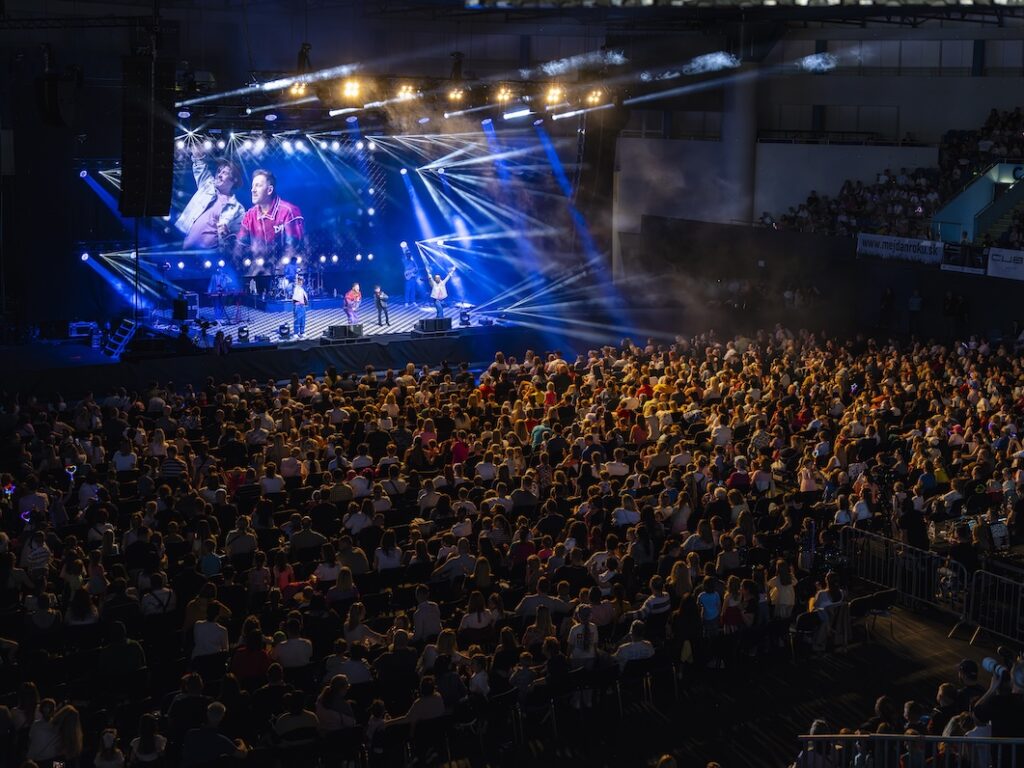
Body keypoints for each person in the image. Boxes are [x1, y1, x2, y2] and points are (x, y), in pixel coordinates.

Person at [234, 168, 305, 271]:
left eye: (258, 186)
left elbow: (293, 249)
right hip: (259, 271)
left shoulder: (289, 211)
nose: (253, 190)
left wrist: (276, 271)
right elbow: (239, 248)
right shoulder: (249, 215)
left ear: (270, 190)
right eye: (253, 186)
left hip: (287, 272)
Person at [176, 151, 245, 251]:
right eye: (219, 171)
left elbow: (237, 239)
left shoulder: (238, 209)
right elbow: (199, 164)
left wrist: (227, 234)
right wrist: (197, 153)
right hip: (181, 244)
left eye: (225, 173)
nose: (219, 175)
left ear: (234, 179)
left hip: (208, 255)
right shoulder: (207, 185)